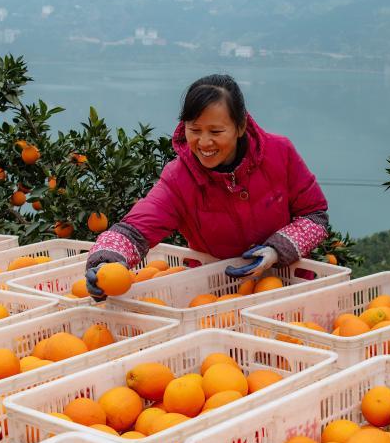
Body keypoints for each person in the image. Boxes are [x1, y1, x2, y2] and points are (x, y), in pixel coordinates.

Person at [85, 74, 329, 299]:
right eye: (194, 130)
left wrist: (276, 250)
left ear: (240, 126)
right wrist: (105, 263)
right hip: (216, 295)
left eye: (216, 131)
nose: (204, 142)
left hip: (289, 288)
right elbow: (134, 231)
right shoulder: (180, 178)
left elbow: (315, 216)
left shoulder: (279, 153)